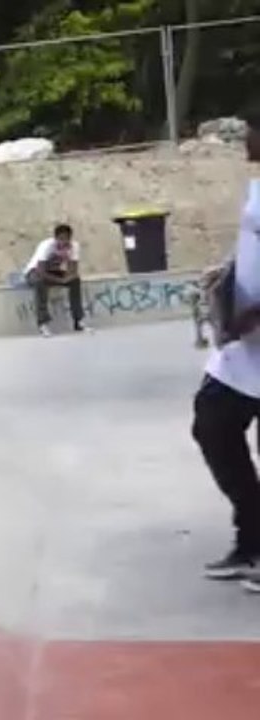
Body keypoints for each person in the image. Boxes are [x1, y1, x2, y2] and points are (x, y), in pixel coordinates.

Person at [193, 113, 260, 584]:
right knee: (211, 425)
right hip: (244, 344)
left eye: (254, 130)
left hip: (253, 327)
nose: (247, 138)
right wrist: (230, 270)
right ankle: (253, 538)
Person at [23, 223, 89, 337]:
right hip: (34, 271)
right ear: (56, 238)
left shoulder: (74, 246)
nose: (64, 242)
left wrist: (68, 278)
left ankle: (78, 320)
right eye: (61, 239)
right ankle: (43, 323)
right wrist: (60, 281)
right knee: (40, 282)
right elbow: (41, 271)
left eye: (66, 239)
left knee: (75, 281)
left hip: (53, 272)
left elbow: (73, 270)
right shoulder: (47, 246)